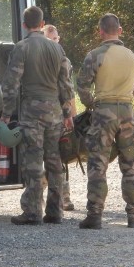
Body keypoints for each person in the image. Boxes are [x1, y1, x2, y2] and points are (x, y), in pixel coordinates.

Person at [0, 6, 73, 225]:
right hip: (55, 112)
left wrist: (6, 114)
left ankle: (32, 211)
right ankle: (55, 211)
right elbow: (66, 85)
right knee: (54, 160)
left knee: (32, 159)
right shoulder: (57, 50)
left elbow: (11, 85)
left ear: (24, 25)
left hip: (31, 111)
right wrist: (67, 112)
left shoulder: (21, 48)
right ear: (42, 25)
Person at [76, 13, 134, 229]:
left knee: (97, 163)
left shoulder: (95, 55)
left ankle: (94, 215)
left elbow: (83, 86)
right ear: (120, 31)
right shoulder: (133, 57)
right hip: (127, 112)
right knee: (130, 164)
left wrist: (91, 104)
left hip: (103, 112)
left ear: (100, 31)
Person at [43, 24, 77, 211]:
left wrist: (71, 113)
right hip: (45, 112)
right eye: (50, 39)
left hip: (58, 112)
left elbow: (68, 89)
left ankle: (64, 196)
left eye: (56, 39)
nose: (54, 42)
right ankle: (44, 193)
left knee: (60, 155)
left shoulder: (65, 60)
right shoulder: (39, 58)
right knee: (45, 156)